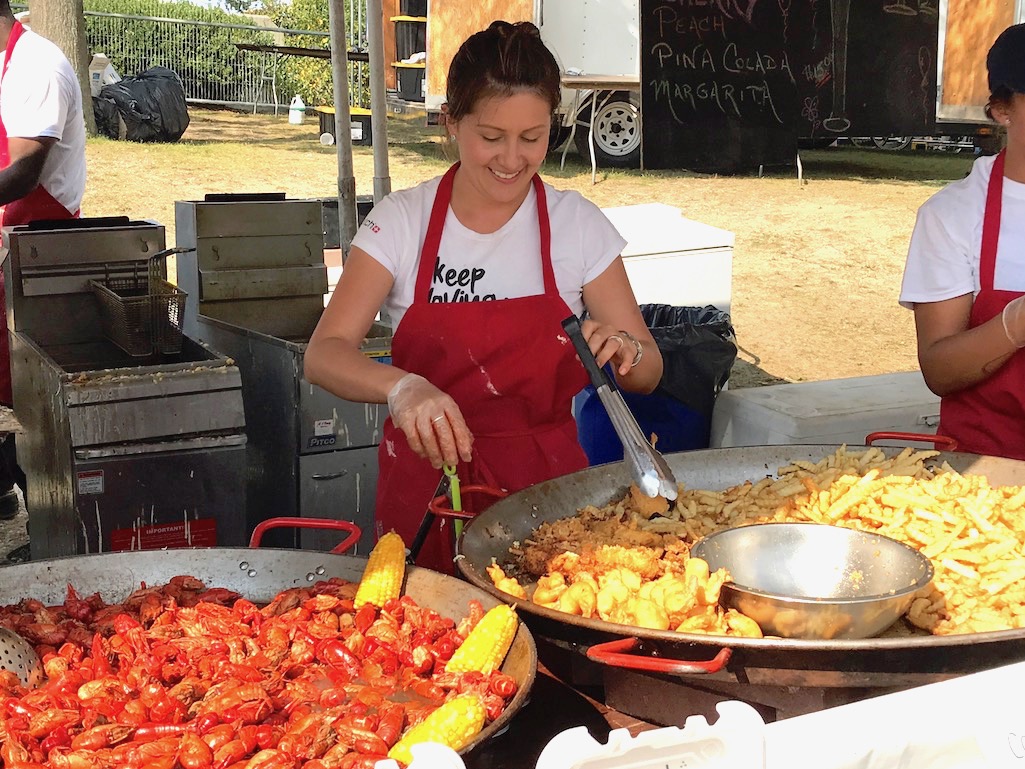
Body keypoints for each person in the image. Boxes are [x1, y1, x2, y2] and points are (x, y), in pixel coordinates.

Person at [305, 20, 663, 572]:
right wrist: (402, 388)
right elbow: (325, 352)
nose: (512, 159)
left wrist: (625, 349)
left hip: (548, 495)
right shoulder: (404, 221)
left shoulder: (577, 226)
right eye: (491, 137)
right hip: (427, 491)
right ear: (451, 122)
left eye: (533, 137)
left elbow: (648, 372)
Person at [899, 23, 1025, 460]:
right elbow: (939, 368)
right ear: (1001, 110)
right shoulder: (953, 215)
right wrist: (1015, 324)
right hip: (989, 477)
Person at [0, 3, 86, 517]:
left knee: (27, 397)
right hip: (8, 240)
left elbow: (26, 170)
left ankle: (52, 526)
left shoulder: (38, 66)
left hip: (37, 252)